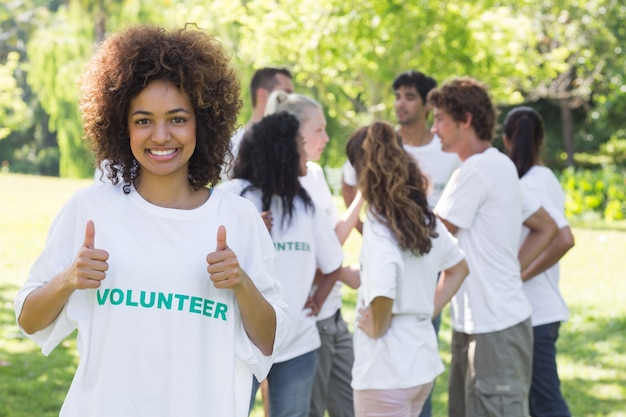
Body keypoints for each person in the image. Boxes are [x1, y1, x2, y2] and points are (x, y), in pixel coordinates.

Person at [13, 25, 289, 417]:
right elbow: (28, 320)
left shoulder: (238, 219)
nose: (160, 136)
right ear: (120, 126)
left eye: (177, 119)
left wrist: (241, 282)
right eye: (143, 120)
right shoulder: (90, 210)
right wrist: (68, 279)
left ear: (203, 123)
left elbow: (269, 341)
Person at [428, 77, 559, 417]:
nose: (434, 128)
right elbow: (546, 227)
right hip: (485, 324)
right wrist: (512, 269)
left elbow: (430, 239)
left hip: (492, 330)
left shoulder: (478, 169)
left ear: (466, 119)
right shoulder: (499, 164)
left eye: (440, 118)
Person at [341, 69, 461, 417]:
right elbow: (459, 267)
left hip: (386, 372)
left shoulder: (379, 230)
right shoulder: (423, 218)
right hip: (421, 363)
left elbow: (384, 285)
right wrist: (428, 309)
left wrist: (376, 325)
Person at [218, 111, 345, 417]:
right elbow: (207, 260)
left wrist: (317, 299)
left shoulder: (304, 204)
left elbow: (333, 263)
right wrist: (248, 229)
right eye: (300, 143)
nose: (306, 151)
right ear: (282, 151)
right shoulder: (233, 199)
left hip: (297, 346)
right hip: (237, 347)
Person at [264, 90, 362, 417]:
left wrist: (363, 196)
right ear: (295, 134)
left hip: (332, 312)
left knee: (351, 404)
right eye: (318, 129)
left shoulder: (316, 175)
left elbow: (330, 243)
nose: (326, 136)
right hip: (307, 323)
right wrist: (338, 274)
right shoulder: (277, 182)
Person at [503, 106, 575, 417]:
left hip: (538, 313)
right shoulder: (534, 179)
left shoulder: (534, 181)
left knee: (546, 404)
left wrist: (520, 273)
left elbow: (563, 238)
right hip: (529, 313)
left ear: (506, 141)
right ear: (542, 140)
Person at [223, 67, 294, 179]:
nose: (291, 100)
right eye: (286, 93)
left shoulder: (293, 143)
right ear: (263, 95)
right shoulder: (233, 145)